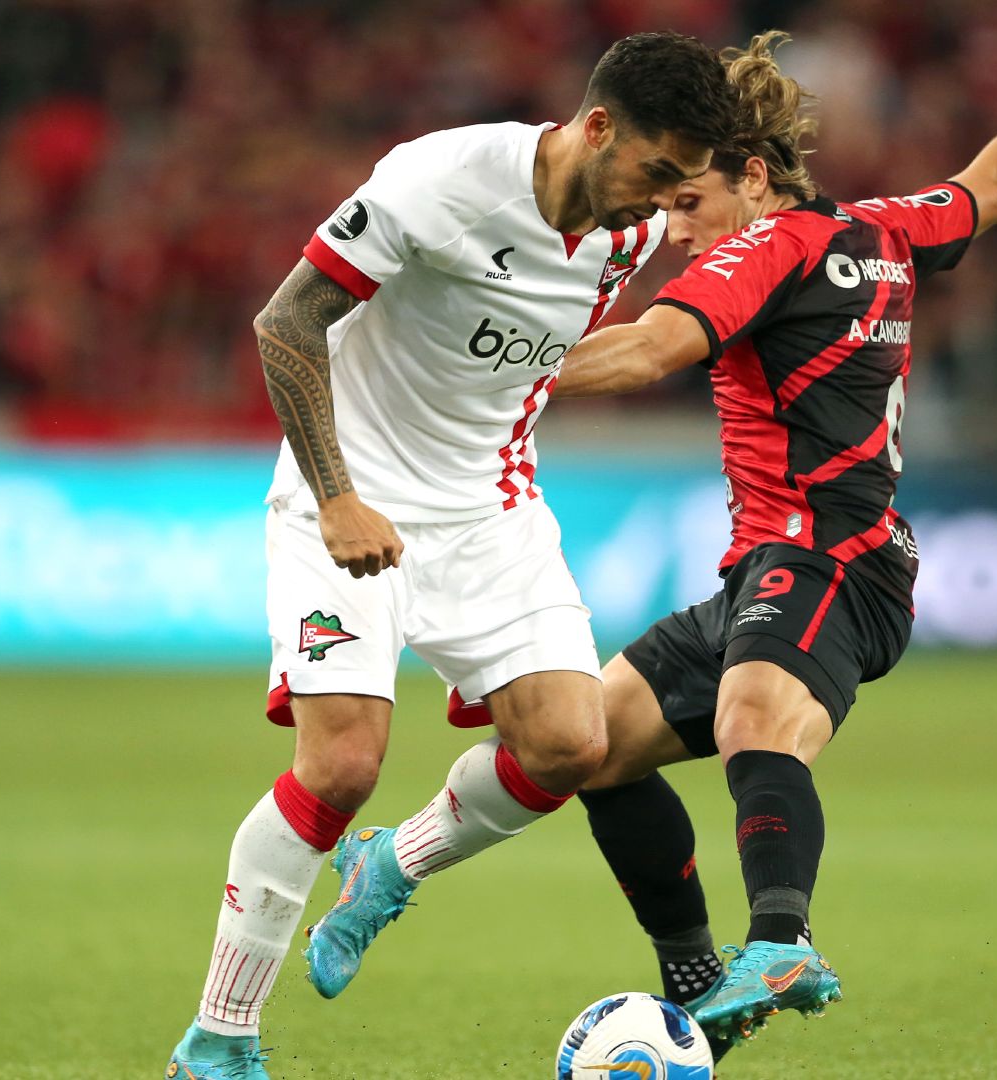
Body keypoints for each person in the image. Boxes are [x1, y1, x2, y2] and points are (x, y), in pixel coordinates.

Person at [553, 22, 997, 1054]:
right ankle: (695, 975)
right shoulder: (887, 230)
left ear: (753, 178)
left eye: (686, 202)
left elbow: (645, 350)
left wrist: (497, 376)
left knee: (751, 715)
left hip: (829, 559)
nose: (675, 228)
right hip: (779, 565)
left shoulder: (761, 252)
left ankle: (781, 939)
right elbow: (996, 181)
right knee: (594, 743)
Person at [165, 32, 740, 1080]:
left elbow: (753, 200)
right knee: (341, 762)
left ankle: (394, 866)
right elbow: (286, 322)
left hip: (491, 511)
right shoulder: (443, 180)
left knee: (573, 746)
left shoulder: (635, 219)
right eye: (653, 173)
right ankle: (220, 1039)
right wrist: (338, 497)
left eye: (676, 185)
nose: (658, 204)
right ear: (596, 127)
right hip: (351, 493)